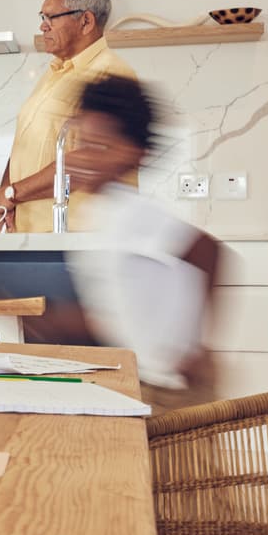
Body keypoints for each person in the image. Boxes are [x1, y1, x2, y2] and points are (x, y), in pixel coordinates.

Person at [64, 75, 220, 412]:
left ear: (137, 155)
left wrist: (199, 347)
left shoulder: (135, 212)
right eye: (81, 142)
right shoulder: (98, 212)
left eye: (100, 147)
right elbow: (118, 300)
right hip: (140, 381)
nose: (84, 157)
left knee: (181, 465)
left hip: (173, 390)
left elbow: (209, 251)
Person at [0, 0, 137, 232]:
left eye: (51, 17)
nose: (43, 26)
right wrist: (7, 202)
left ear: (86, 21)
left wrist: (13, 193)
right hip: (35, 237)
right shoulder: (53, 73)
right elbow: (22, 145)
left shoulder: (109, 74)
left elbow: (92, 161)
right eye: (42, 17)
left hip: (79, 240)